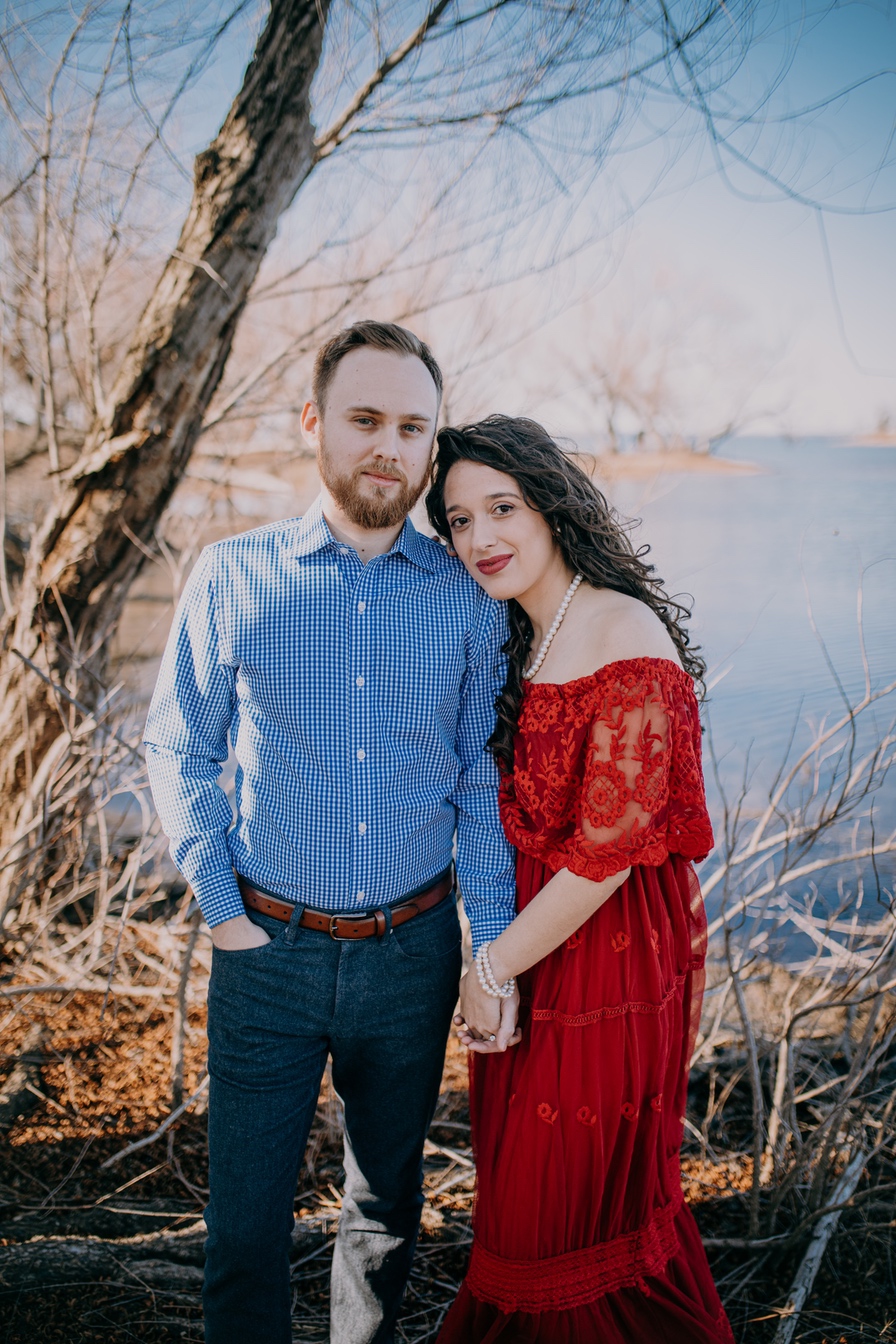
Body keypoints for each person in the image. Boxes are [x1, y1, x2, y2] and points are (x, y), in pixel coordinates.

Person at [143, 322, 518, 1344]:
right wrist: (222, 916)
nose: (386, 446)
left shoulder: (468, 598)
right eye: (364, 419)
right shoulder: (233, 576)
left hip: (412, 955)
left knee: (386, 1216)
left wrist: (491, 949)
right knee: (244, 1229)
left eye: (410, 426)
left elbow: (478, 783)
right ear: (314, 423)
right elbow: (177, 749)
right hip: (265, 951)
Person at [426, 416, 734, 1344]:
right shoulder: (518, 632)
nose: (480, 538)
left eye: (501, 508)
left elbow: (607, 853)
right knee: (522, 1196)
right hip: (537, 945)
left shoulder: (620, 626)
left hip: (605, 958)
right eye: (457, 520)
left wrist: (489, 968)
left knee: (559, 1219)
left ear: (551, 505)